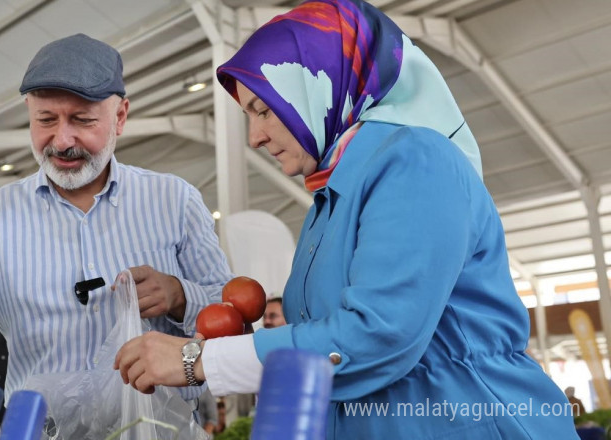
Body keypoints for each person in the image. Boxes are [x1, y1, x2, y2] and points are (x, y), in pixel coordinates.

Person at [114, 1, 579, 438]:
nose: (254, 137)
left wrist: (199, 360)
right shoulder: (332, 197)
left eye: (262, 109)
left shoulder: (415, 160)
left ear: (320, 84)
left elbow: (378, 334)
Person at [0, 33, 231, 415]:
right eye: (45, 120)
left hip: (161, 431)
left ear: (120, 117)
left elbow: (234, 322)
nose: (62, 140)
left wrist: (180, 295)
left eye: (82, 120)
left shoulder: (175, 201)